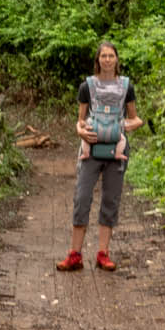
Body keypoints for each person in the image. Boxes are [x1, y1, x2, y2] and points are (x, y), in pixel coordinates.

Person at [58, 41, 143, 271]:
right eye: (103, 56)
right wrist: (80, 131)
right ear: (98, 60)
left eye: (111, 56)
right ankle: (75, 254)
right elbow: (81, 120)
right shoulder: (87, 86)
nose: (107, 59)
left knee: (110, 200)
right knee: (81, 197)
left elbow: (135, 118)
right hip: (91, 149)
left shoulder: (127, 86)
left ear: (116, 59)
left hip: (116, 151)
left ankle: (103, 253)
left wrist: (119, 127)